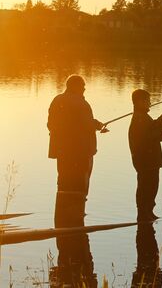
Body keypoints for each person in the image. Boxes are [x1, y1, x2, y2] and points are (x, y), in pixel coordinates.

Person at [47, 75, 103, 223]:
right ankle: (76, 218)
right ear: (75, 86)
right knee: (80, 184)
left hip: (62, 153)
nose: (84, 88)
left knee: (64, 182)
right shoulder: (81, 103)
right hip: (80, 153)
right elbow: (84, 125)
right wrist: (96, 125)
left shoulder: (57, 100)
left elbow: (50, 125)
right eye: (82, 85)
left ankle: (61, 217)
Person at [129, 89, 162, 222]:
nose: (150, 103)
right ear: (139, 102)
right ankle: (144, 213)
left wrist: (161, 120)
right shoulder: (139, 119)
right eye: (147, 100)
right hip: (146, 162)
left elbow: (151, 129)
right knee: (146, 188)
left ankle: (148, 211)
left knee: (152, 187)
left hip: (150, 161)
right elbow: (151, 136)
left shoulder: (142, 117)